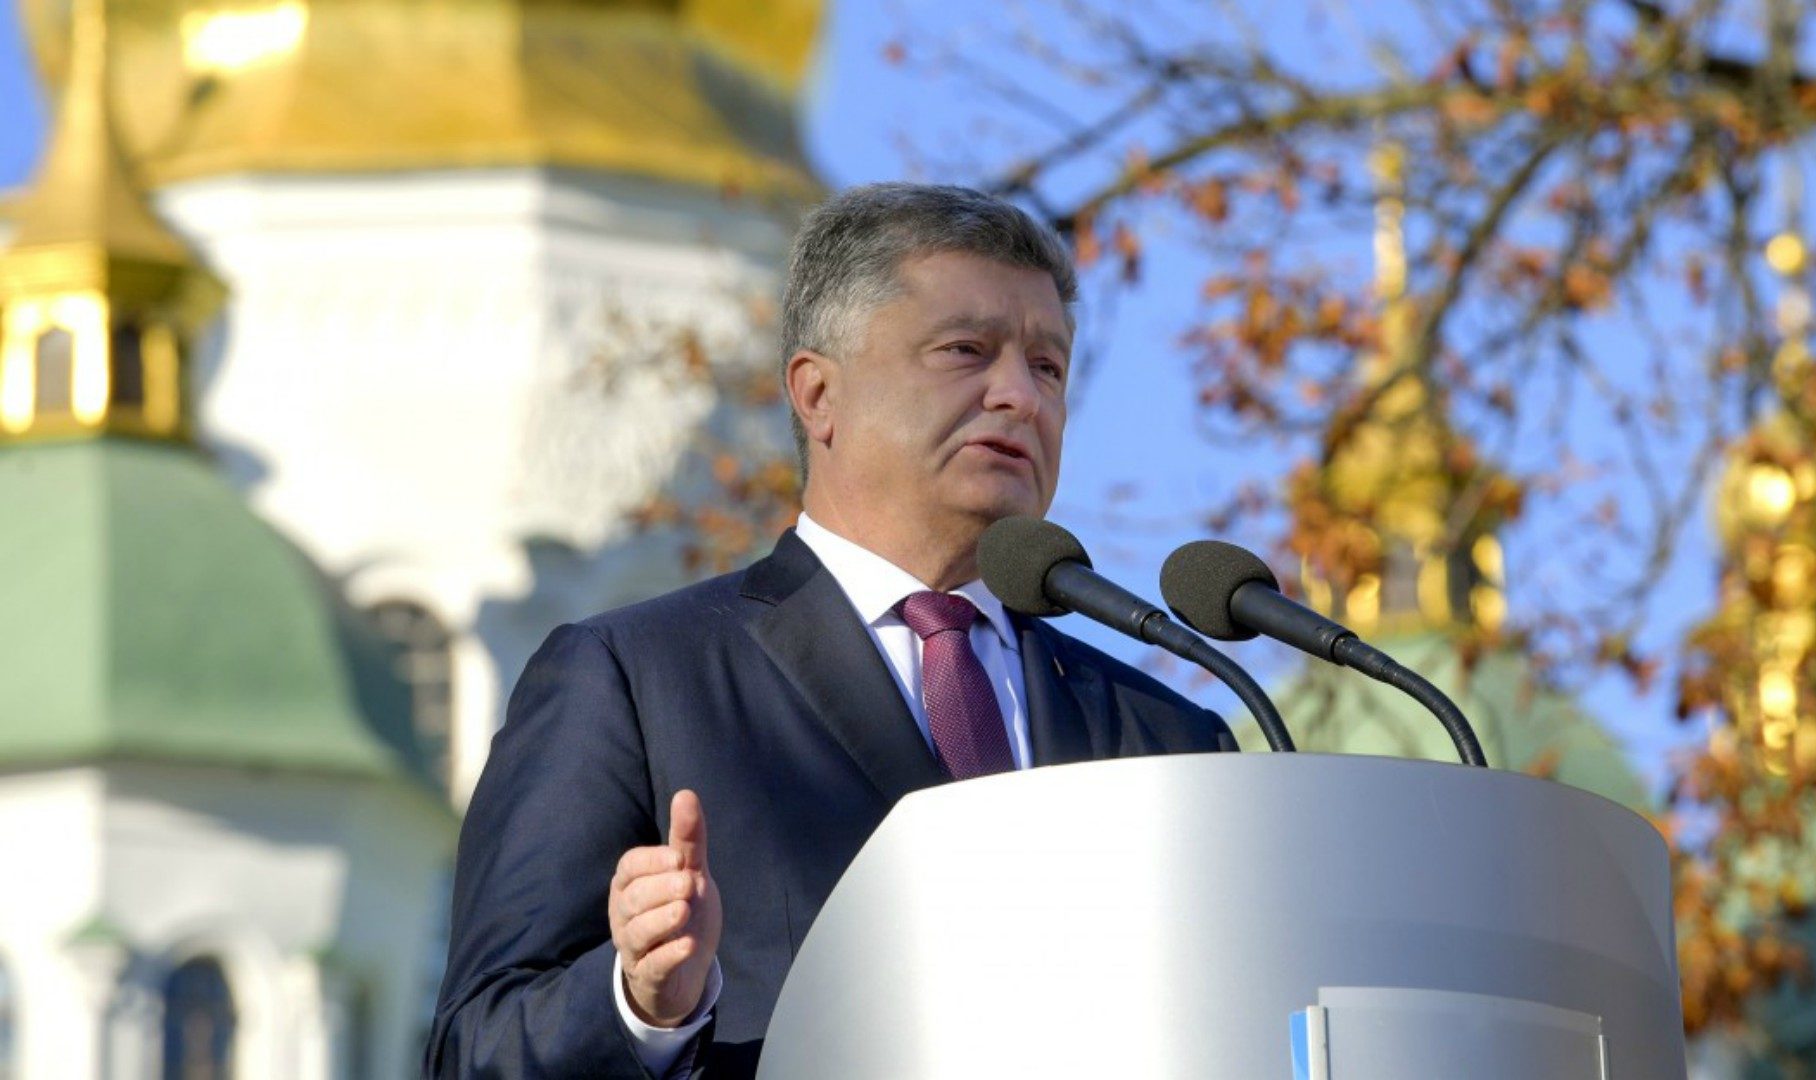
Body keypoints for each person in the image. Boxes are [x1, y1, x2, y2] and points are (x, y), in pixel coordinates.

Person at [426, 183, 1236, 1079]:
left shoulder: (1166, 738)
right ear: (818, 395)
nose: (1018, 395)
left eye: (1048, 368)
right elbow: (477, 1050)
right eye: (965, 351)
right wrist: (643, 1004)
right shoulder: (637, 680)